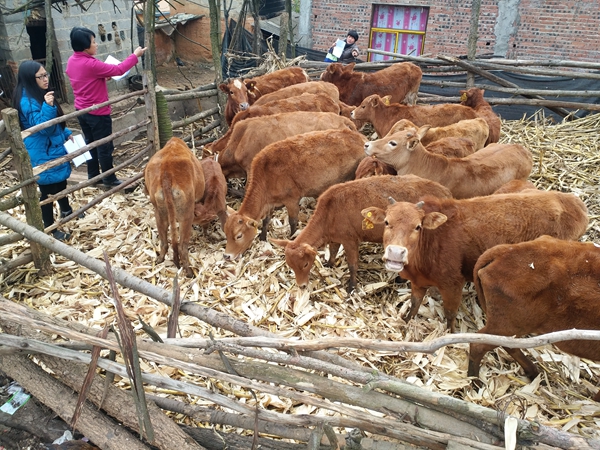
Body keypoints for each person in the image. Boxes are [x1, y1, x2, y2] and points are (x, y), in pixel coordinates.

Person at [65, 27, 147, 187]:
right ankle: (109, 178)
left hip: (81, 110)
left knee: (90, 144)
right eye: (93, 42)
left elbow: (84, 79)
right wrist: (135, 55)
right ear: (85, 47)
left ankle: (93, 175)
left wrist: (101, 78)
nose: (96, 45)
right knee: (104, 146)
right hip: (97, 112)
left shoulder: (72, 61)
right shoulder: (91, 64)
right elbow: (119, 70)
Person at [12, 60, 74, 241]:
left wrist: (66, 133)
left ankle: (66, 210)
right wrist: (48, 106)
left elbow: (54, 124)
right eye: (41, 76)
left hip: (52, 146)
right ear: (30, 79)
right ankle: (49, 228)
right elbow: (43, 128)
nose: (46, 79)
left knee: (60, 182)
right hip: (42, 151)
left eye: (46, 75)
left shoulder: (38, 93)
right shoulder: (27, 101)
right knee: (47, 191)